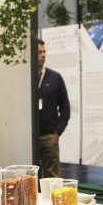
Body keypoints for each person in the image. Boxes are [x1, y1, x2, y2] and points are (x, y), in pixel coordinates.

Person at [38, 39, 71, 178]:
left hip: (49, 136)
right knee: (28, 177)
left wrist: (57, 131)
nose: (43, 55)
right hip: (27, 137)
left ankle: (52, 200)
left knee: (52, 178)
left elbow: (65, 106)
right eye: (39, 52)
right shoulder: (25, 78)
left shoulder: (55, 77)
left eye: (44, 52)